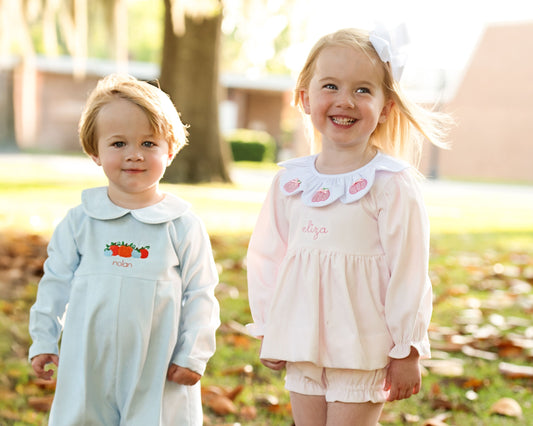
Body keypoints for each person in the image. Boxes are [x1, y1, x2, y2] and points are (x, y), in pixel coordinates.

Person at [246, 26, 451, 426]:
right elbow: (268, 256)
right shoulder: (291, 182)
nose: (345, 101)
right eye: (331, 86)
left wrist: (406, 348)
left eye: (362, 90)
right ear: (305, 98)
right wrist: (270, 325)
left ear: (386, 106)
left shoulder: (390, 184)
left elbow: (408, 272)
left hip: (362, 346)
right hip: (302, 343)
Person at [28, 74, 220, 426]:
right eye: (118, 144)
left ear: (170, 150)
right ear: (94, 152)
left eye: (149, 143)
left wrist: (193, 354)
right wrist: (43, 338)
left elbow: (201, 292)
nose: (134, 155)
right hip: (89, 359)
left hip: (157, 362)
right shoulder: (81, 222)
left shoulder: (180, 224)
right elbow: (55, 282)